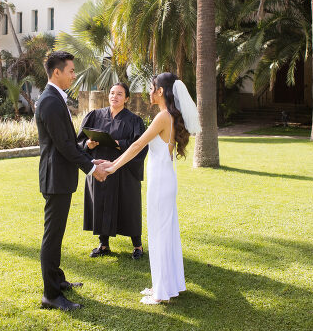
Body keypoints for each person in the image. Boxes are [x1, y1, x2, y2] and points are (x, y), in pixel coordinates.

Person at [101, 72, 200, 304]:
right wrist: (113, 163)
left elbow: (137, 145)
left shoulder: (163, 117)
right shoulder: (169, 116)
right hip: (164, 179)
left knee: (159, 234)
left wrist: (114, 166)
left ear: (161, 92)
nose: (149, 91)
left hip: (161, 182)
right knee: (165, 233)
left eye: (152, 87)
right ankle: (165, 285)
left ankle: (161, 292)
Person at [35, 51, 110, 311]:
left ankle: (57, 280)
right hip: (56, 179)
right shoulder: (50, 102)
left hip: (60, 177)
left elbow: (69, 143)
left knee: (57, 234)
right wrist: (91, 169)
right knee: (52, 237)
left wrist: (86, 149)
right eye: (70, 71)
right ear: (56, 72)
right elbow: (64, 146)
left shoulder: (56, 98)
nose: (74, 75)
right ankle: (51, 295)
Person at [78, 82, 147, 259]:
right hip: (100, 168)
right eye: (112, 93)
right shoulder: (94, 116)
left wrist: (119, 144)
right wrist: (88, 143)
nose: (114, 97)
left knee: (129, 205)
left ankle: (137, 246)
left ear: (127, 99)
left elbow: (140, 146)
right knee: (101, 203)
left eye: (119, 94)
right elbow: (78, 143)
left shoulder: (134, 121)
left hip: (123, 170)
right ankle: (103, 244)